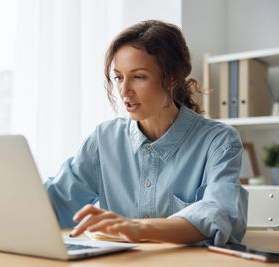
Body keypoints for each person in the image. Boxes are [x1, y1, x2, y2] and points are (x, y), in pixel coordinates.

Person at [44, 20, 248, 246]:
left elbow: (218, 215)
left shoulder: (219, 141)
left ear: (172, 77)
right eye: (119, 77)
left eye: (138, 76)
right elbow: (56, 202)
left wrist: (138, 228)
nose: (124, 91)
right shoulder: (104, 139)